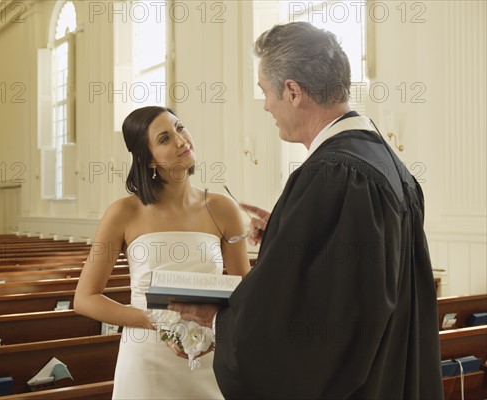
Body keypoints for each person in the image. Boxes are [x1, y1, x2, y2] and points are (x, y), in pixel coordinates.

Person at [170, 22, 444, 399]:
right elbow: (355, 277)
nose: (266, 105)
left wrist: (218, 319)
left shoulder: (337, 173)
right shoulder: (382, 162)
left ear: (293, 91)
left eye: (265, 92)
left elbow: (319, 323)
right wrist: (285, 230)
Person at [73, 105, 251, 399]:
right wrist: (152, 321)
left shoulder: (223, 209)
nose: (182, 140)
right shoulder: (123, 213)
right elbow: (84, 298)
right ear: (148, 159)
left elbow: (243, 289)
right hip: (147, 356)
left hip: (208, 353)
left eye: (180, 128)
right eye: (165, 138)